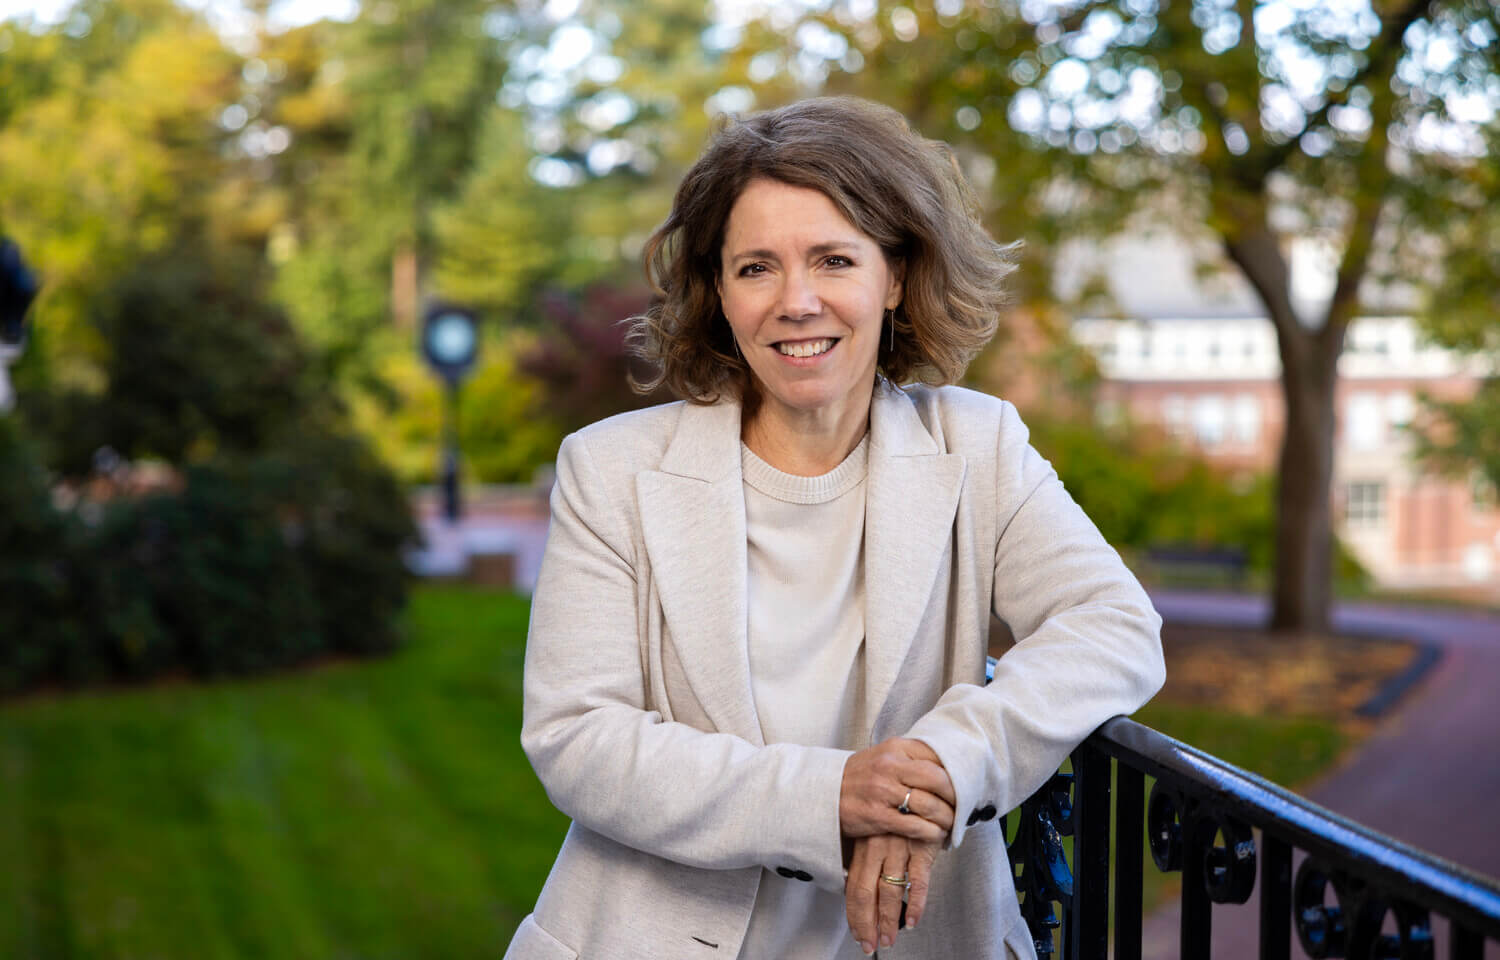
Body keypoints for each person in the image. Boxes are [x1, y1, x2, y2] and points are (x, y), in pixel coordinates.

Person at [505, 97, 1165, 960]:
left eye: (833, 259)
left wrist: (941, 765)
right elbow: (578, 737)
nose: (797, 301)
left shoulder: (978, 445)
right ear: (720, 293)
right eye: (756, 268)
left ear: (894, 277)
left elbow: (1114, 627)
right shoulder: (613, 469)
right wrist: (834, 797)